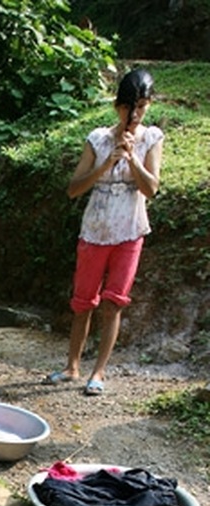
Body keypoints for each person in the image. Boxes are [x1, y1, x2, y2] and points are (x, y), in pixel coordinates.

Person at [44, 68, 164, 397]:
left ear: (148, 105)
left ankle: (98, 373)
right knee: (83, 303)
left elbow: (151, 188)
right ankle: (72, 366)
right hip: (94, 229)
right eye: (129, 107)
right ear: (117, 107)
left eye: (141, 106)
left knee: (113, 304)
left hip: (130, 230)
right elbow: (73, 189)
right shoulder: (97, 139)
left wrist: (132, 160)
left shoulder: (152, 138)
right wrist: (106, 164)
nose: (135, 114)